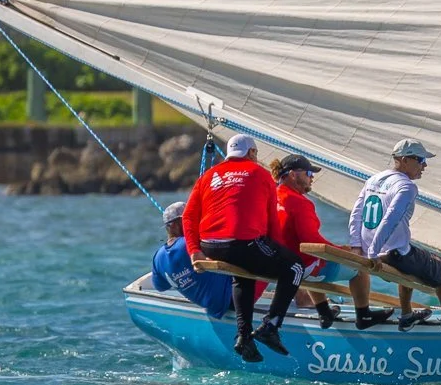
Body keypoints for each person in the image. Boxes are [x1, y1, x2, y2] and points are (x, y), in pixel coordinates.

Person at [183, 134, 305, 362]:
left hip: (210, 246)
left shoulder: (208, 176)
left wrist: (194, 251)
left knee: (243, 273)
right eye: (256, 153)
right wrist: (280, 254)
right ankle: (271, 326)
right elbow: (272, 225)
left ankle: (243, 337)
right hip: (242, 243)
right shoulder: (260, 174)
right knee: (295, 267)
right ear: (250, 153)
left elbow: (188, 216)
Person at [348, 138, 441, 331]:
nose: (424, 166)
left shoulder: (374, 179)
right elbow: (389, 219)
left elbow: (356, 214)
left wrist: (357, 246)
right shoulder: (406, 187)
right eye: (421, 160)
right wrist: (374, 253)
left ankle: (407, 315)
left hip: (375, 251)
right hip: (390, 255)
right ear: (404, 159)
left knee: (412, 256)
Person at [270, 154, 393, 330]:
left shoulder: (272, 196)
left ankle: (324, 312)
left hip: (280, 265)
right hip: (300, 268)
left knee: (315, 260)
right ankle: (364, 315)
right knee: (359, 266)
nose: (312, 178)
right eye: (308, 174)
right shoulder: (299, 202)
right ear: (292, 175)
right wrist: (342, 251)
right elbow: (311, 241)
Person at [151, 201, 234, 319]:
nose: (194, 222)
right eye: (188, 219)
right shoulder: (191, 244)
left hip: (212, 308)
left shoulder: (157, 258)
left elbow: (160, 287)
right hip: (231, 299)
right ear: (174, 225)